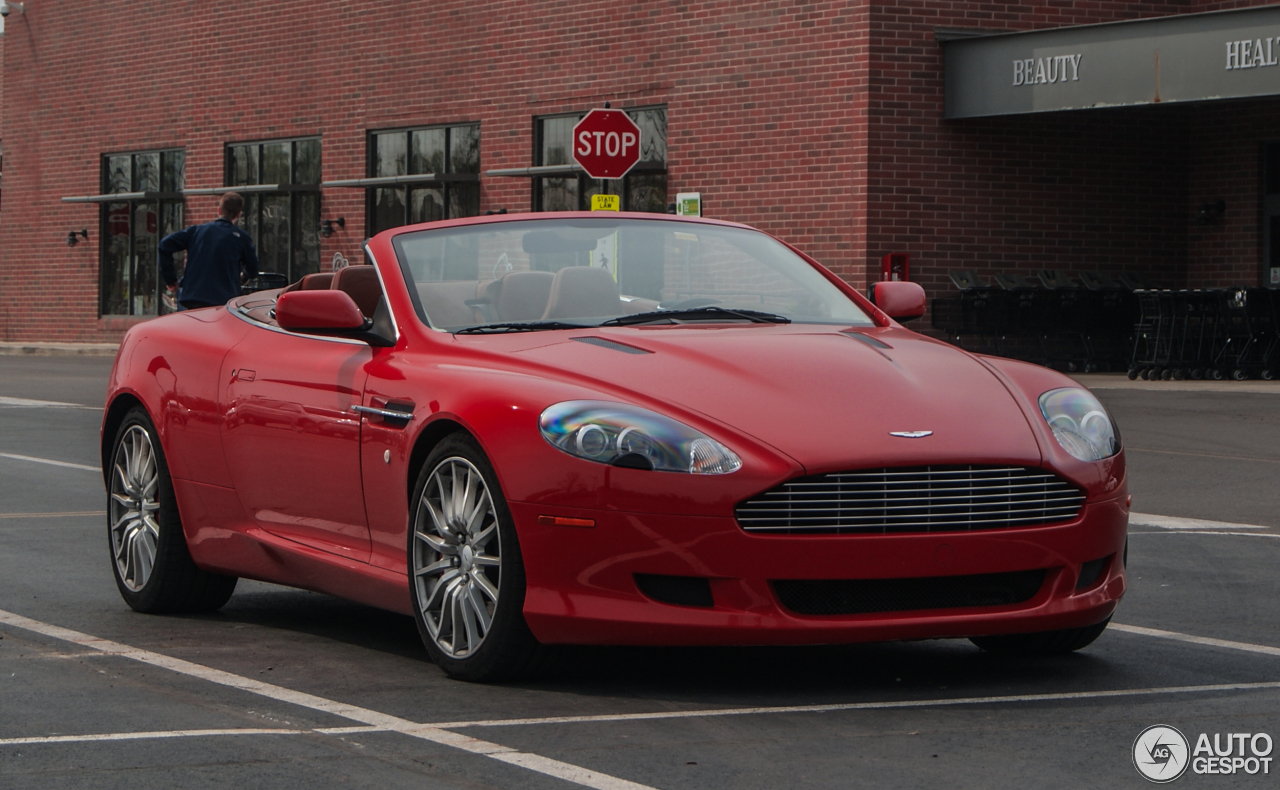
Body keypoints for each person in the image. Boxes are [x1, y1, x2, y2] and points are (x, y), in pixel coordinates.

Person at [158, 192, 259, 310]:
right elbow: (253, 268)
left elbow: (164, 245)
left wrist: (170, 279)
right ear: (239, 214)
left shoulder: (196, 231)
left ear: (219, 210)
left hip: (192, 297)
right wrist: (243, 276)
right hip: (223, 300)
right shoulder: (241, 238)